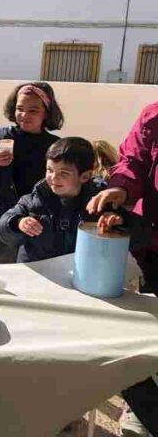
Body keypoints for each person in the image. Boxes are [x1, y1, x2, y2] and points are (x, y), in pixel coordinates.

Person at [87, 102, 158, 437]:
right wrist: (121, 188)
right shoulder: (153, 114)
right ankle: (142, 411)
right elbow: (133, 159)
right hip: (154, 246)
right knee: (144, 331)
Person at [0, 82, 64, 264]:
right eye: (20, 108)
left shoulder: (55, 146)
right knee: (3, 282)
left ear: (46, 113)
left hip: (38, 227)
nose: (24, 115)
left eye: (33, 110)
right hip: (2, 224)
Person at [0, 137, 122, 262]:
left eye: (64, 173)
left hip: (82, 273)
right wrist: (18, 223)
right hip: (38, 274)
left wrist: (117, 223)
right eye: (50, 170)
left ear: (85, 176)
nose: (54, 178)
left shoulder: (102, 204)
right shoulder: (33, 201)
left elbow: (131, 236)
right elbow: (3, 229)